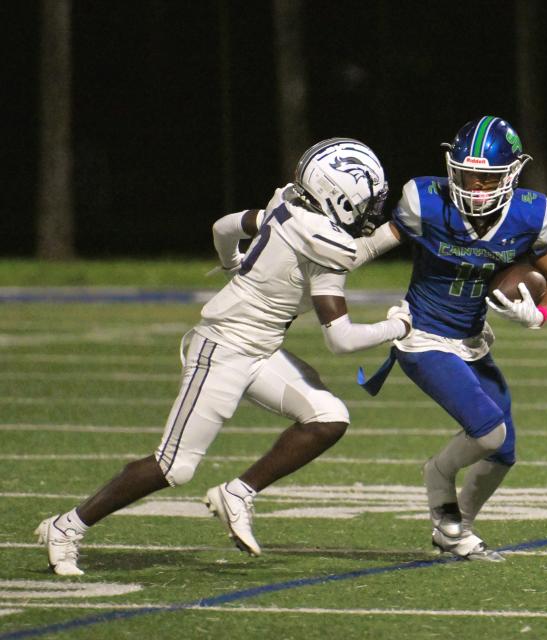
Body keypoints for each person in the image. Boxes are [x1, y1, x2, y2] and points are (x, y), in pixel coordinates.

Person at [36, 138, 407, 576]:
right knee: (174, 466)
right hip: (223, 348)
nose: (369, 211)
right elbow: (341, 339)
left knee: (328, 417)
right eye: (366, 201)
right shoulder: (326, 244)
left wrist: (235, 264)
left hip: (260, 348)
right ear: (339, 197)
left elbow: (223, 226)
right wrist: (398, 326)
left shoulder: (285, 204)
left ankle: (238, 492)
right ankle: (67, 526)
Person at [361, 116, 547, 561]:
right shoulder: (427, 201)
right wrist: (307, 258)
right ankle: (438, 476)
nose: (474, 186)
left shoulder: (530, 213)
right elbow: (367, 248)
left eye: (486, 177)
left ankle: (457, 532)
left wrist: (540, 312)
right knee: (488, 433)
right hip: (422, 336)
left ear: (510, 174)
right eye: (467, 173)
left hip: (472, 341)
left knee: (503, 450)